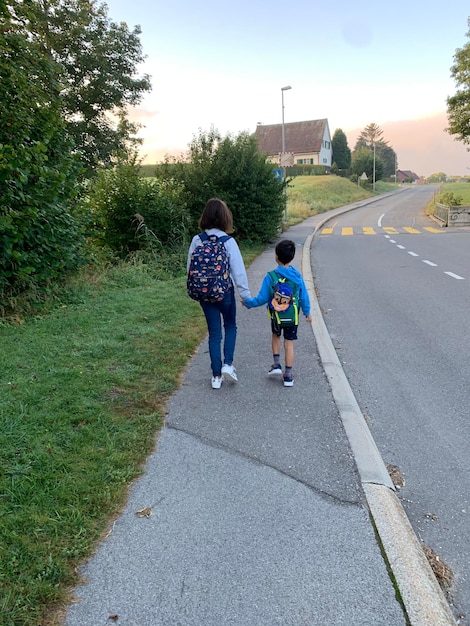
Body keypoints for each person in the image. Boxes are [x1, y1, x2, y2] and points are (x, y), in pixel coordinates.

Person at [187, 198, 251, 389]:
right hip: (225, 293)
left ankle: (216, 377)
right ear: (225, 218)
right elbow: (238, 271)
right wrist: (245, 296)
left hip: (204, 294)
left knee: (214, 333)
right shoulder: (228, 241)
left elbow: (190, 268)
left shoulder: (197, 240)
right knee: (230, 325)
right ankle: (228, 365)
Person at [243, 239, 312, 387]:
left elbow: (262, 298)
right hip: (292, 316)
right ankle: (288, 375)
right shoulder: (297, 276)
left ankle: (276, 365)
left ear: (276, 256)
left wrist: (249, 303)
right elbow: (304, 296)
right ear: (292, 257)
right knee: (289, 343)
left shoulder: (271, 276)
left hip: (277, 316)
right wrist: (307, 312)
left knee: (276, 336)